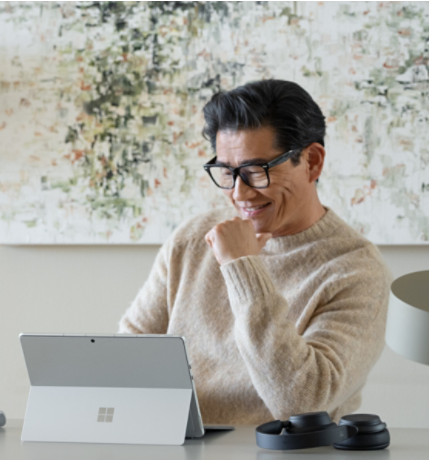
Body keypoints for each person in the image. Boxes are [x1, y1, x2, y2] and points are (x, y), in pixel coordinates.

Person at [119, 79, 391, 425]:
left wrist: (242, 267)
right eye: (227, 172)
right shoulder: (192, 239)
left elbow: (302, 403)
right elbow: (128, 356)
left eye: (255, 171)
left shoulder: (357, 272)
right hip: (177, 450)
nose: (239, 194)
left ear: (313, 161)